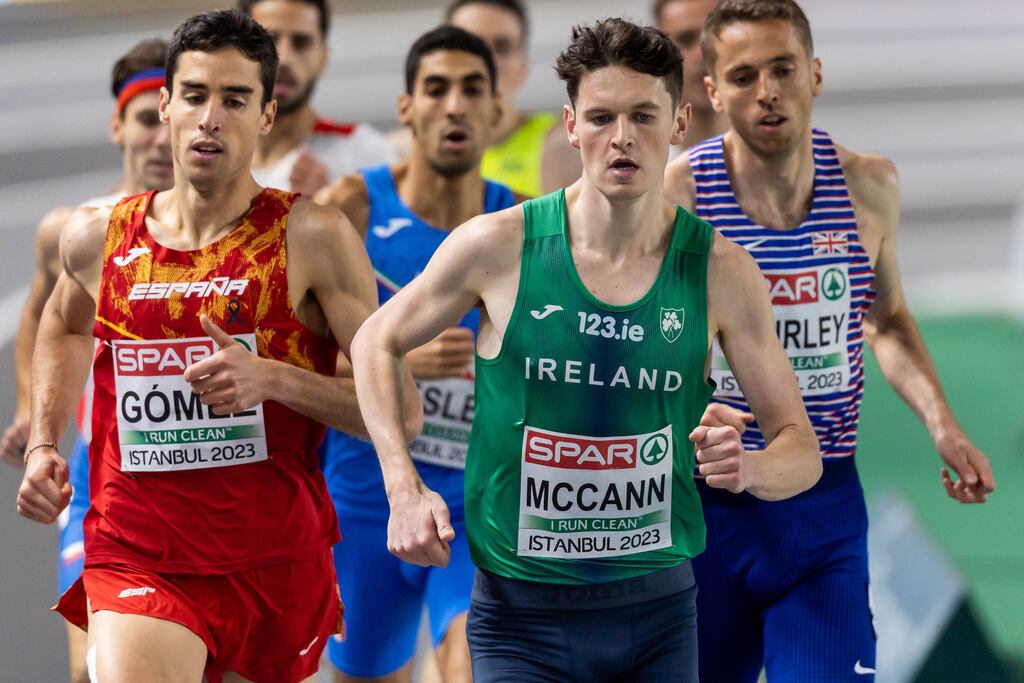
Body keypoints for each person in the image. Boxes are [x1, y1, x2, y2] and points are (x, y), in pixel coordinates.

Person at [351, 18, 822, 683]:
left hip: (655, 615)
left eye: (643, 116)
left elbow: (799, 448)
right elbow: (376, 337)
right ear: (571, 125)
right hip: (520, 617)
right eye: (600, 117)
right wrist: (402, 487)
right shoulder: (499, 246)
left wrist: (745, 468)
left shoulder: (721, 271)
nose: (622, 137)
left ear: (680, 121)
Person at [16, 10, 419, 683]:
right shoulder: (97, 238)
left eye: (234, 100)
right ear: (166, 104)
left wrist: (273, 380)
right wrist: (44, 441)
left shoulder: (312, 238)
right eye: (195, 95)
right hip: (138, 548)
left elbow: (400, 410)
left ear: (266, 115)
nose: (210, 118)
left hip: (272, 561)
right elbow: (62, 323)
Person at [663, 1, 996, 680]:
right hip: (708, 505)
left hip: (823, 502)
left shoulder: (867, 185)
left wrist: (942, 424)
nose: (767, 92)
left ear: (815, 73)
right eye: (745, 75)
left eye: (783, 68)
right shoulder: (684, 189)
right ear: (712, 91)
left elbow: (889, 319)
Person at [314, 25, 519, 683]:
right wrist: (390, 362)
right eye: (436, 89)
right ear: (407, 108)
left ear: (496, 110)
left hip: (476, 502)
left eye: (471, 89)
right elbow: (293, 355)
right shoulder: (351, 207)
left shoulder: (519, 224)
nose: (454, 104)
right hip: (367, 499)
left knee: (475, 659)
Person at [0, 37, 173, 683]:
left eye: (169, 114)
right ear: (117, 125)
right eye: (144, 118)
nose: (160, 137)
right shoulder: (71, 229)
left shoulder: (229, 235)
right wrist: (31, 409)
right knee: (91, 665)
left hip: (204, 477)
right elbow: (41, 318)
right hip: (101, 471)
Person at [387, 0, 576, 198]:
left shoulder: (566, 146)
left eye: (502, 47)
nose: (485, 61)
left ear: (523, 68)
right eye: (470, 45)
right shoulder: (396, 152)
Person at [240, 0, 395, 195]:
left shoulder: (365, 154)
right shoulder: (207, 151)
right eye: (269, 40)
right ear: (239, 53)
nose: (284, 58)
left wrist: (330, 207)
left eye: (301, 43)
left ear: (323, 58)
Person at [652, 0, 728, 159]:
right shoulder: (639, 171)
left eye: (717, 35)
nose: (703, 53)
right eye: (686, 39)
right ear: (659, 54)